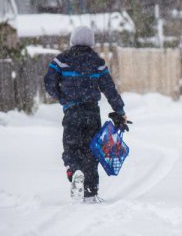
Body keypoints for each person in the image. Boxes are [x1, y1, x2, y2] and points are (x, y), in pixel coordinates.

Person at [44, 26, 128, 203]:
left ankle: (74, 171)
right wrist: (119, 111)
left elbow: (49, 82)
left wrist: (62, 97)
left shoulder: (61, 60)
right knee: (91, 150)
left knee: (71, 147)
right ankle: (90, 191)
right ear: (92, 41)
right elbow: (109, 89)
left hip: (72, 111)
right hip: (91, 112)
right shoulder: (97, 62)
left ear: (73, 40)